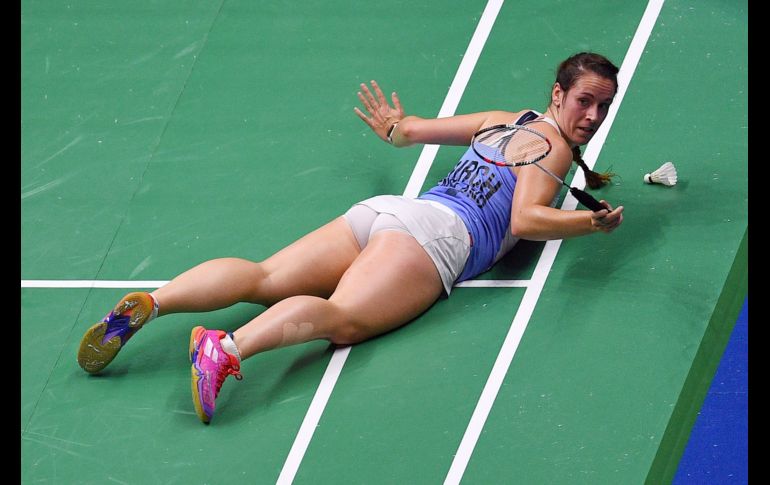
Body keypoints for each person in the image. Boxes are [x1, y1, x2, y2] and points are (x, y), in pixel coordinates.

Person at [77, 52, 624, 424]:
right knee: (341, 319)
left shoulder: (510, 119)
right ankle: (225, 348)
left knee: (264, 275)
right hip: (434, 241)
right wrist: (588, 223)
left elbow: (407, 132)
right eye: (584, 101)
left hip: (391, 211)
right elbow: (525, 220)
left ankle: (156, 301)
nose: (594, 115)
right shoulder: (550, 148)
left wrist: (393, 126)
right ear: (558, 94)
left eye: (603, 105)